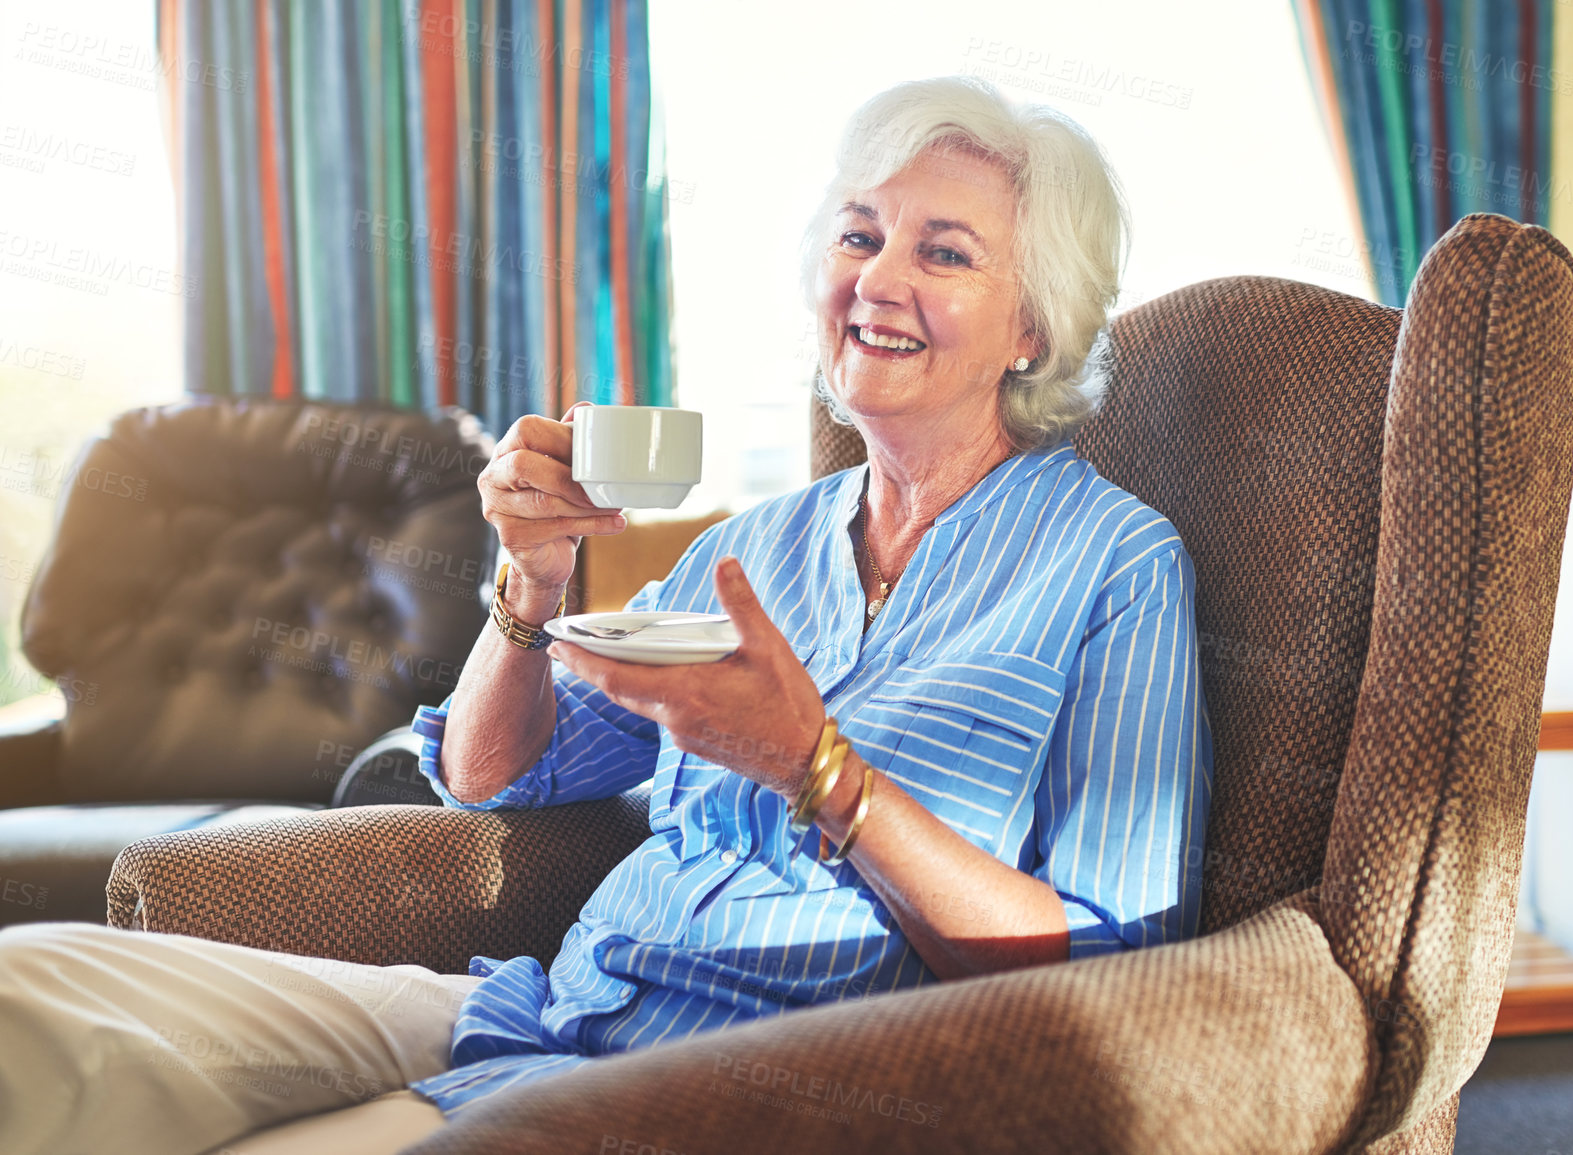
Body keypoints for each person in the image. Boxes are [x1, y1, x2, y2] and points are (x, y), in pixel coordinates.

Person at [0, 75, 1212, 1155]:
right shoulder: (758, 548)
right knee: (28, 992)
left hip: (749, 1079)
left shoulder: (1113, 566)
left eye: (945, 253)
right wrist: (529, 583)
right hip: (553, 1011)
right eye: (860, 234)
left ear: (1034, 325)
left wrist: (814, 766)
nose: (878, 279)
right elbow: (492, 773)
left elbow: (1107, 964)